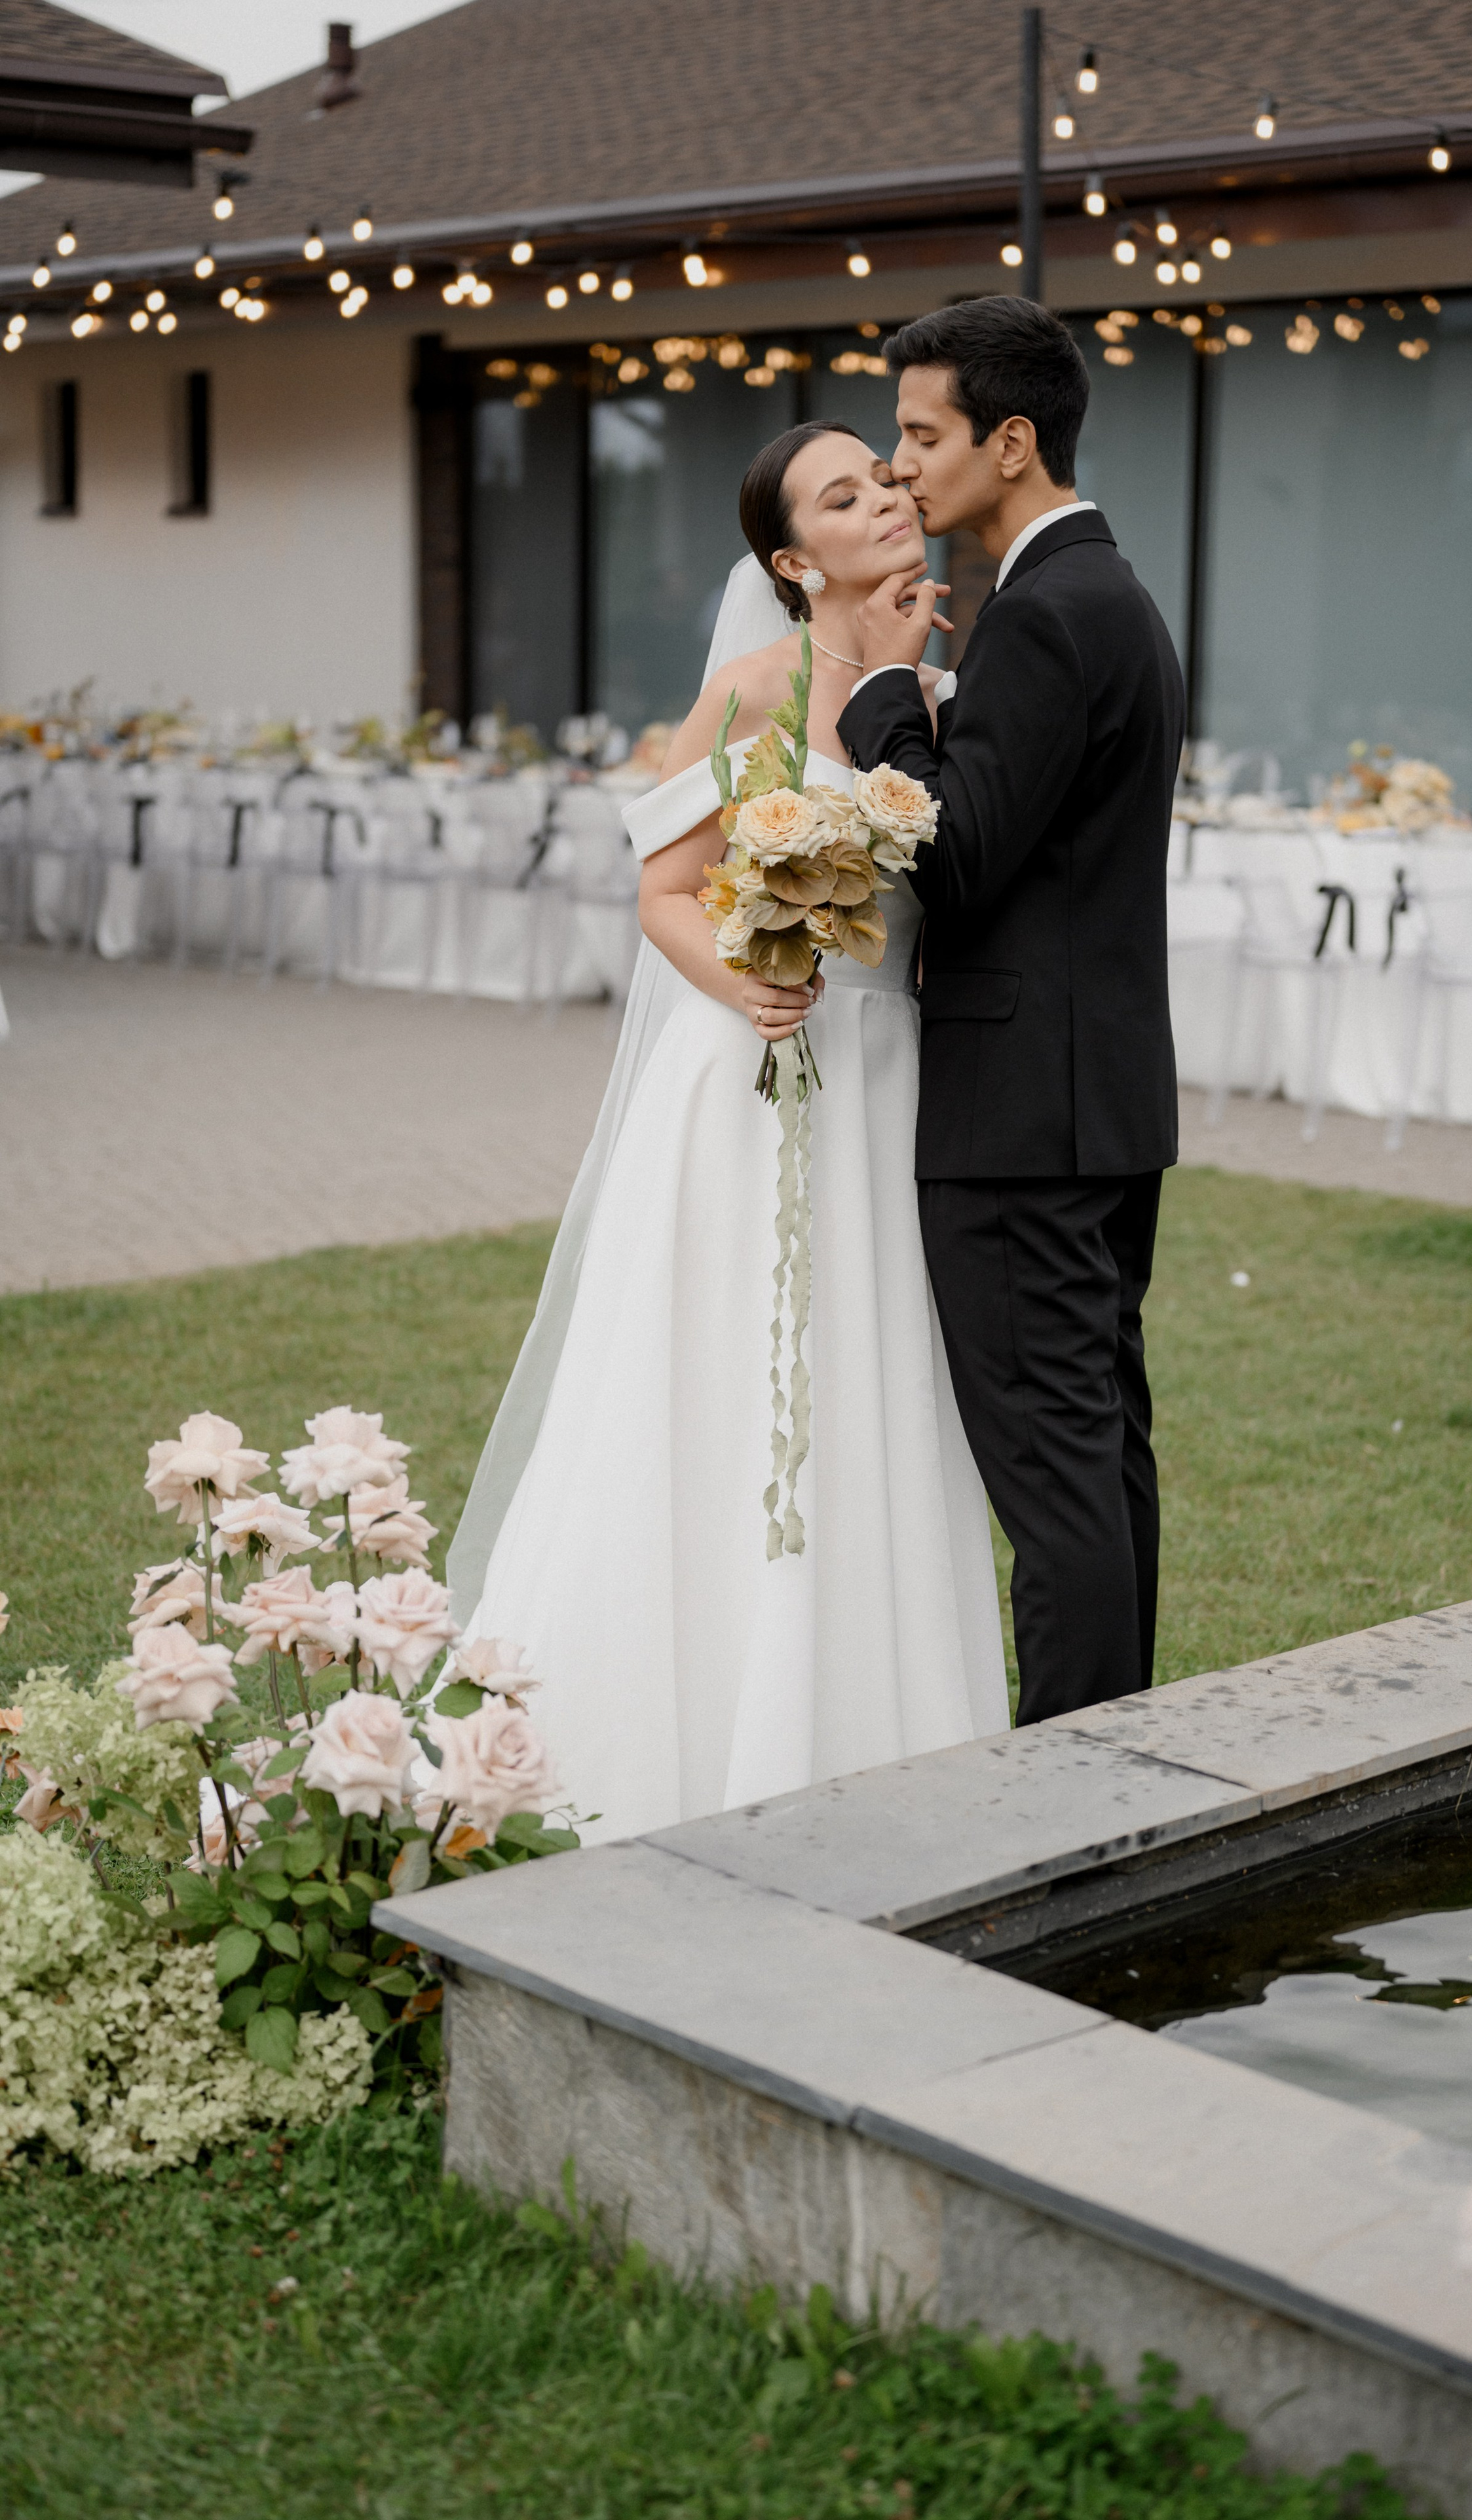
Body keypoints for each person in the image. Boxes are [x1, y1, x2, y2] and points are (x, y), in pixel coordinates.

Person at [447, 420, 1008, 1841]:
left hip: (887, 1085)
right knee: (714, 1384)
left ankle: (864, 1727)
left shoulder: (949, 696)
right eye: (843, 496)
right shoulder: (750, 694)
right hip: (747, 1075)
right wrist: (747, 981)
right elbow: (662, 890)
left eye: (883, 480)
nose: (885, 501)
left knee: (867, 1384)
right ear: (790, 562)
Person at [837, 295, 1184, 1726]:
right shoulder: (1107, 597)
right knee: (1096, 1459)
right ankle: (1119, 1753)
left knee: (1054, 1478)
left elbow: (961, 852)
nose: (901, 465)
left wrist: (881, 697)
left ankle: (1071, 1793)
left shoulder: (1045, 614)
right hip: (1094, 1097)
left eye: (923, 435)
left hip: (1021, 1118)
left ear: (1012, 440)